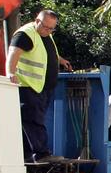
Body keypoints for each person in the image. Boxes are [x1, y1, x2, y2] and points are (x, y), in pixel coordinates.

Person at [7, 9, 71, 162]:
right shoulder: (25, 34)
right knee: (34, 120)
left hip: (42, 87)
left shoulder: (45, 34)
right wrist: (10, 72)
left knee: (35, 120)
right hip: (28, 86)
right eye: (46, 27)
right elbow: (13, 52)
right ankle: (41, 154)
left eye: (51, 29)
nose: (48, 31)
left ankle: (28, 154)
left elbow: (48, 52)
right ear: (37, 21)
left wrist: (60, 60)